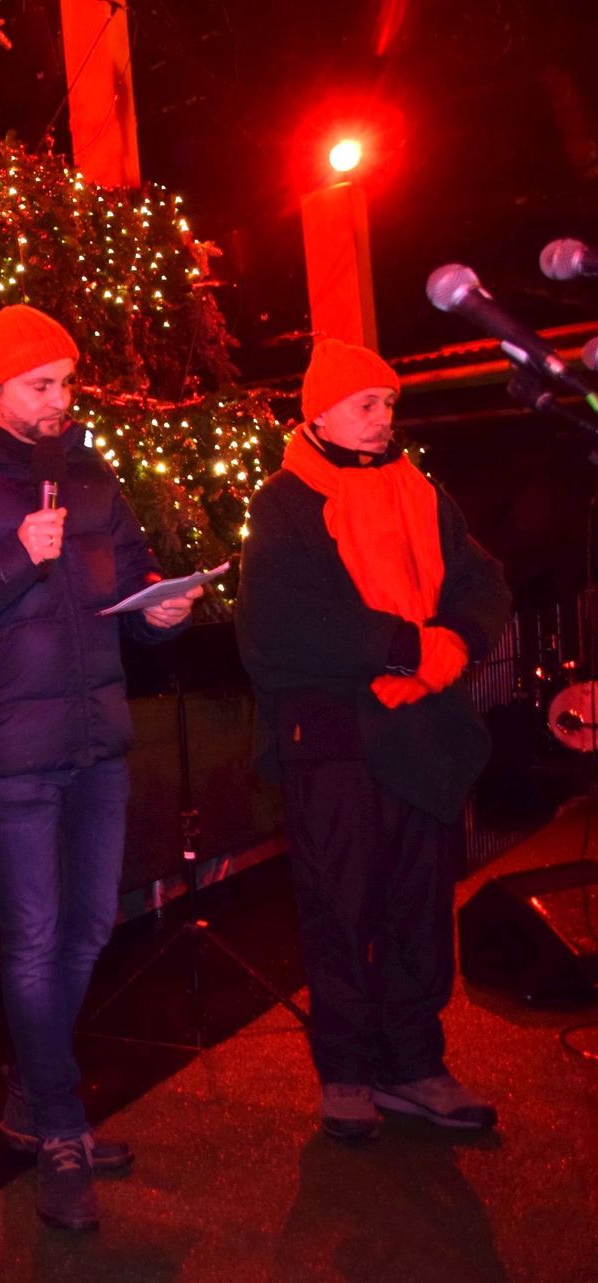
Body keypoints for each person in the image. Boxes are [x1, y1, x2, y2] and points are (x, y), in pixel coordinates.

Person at [0, 304, 199, 1233]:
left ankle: (31, 1095)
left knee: (91, 925)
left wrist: (156, 612)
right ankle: (59, 1121)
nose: (61, 401)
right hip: (11, 752)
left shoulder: (88, 473)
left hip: (97, 736)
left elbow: (127, 575)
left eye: (66, 383)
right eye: (40, 386)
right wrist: (14, 558)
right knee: (34, 938)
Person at [236, 338, 510, 1143]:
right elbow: (277, 625)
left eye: (389, 404)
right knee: (341, 907)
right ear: (317, 410)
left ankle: (416, 1066)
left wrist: (453, 641)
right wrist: (402, 649)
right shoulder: (285, 501)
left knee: (420, 907)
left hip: (419, 734)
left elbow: (481, 581)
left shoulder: (421, 491)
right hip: (334, 743)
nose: (383, 418)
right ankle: (348, 1073)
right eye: (366, 403)